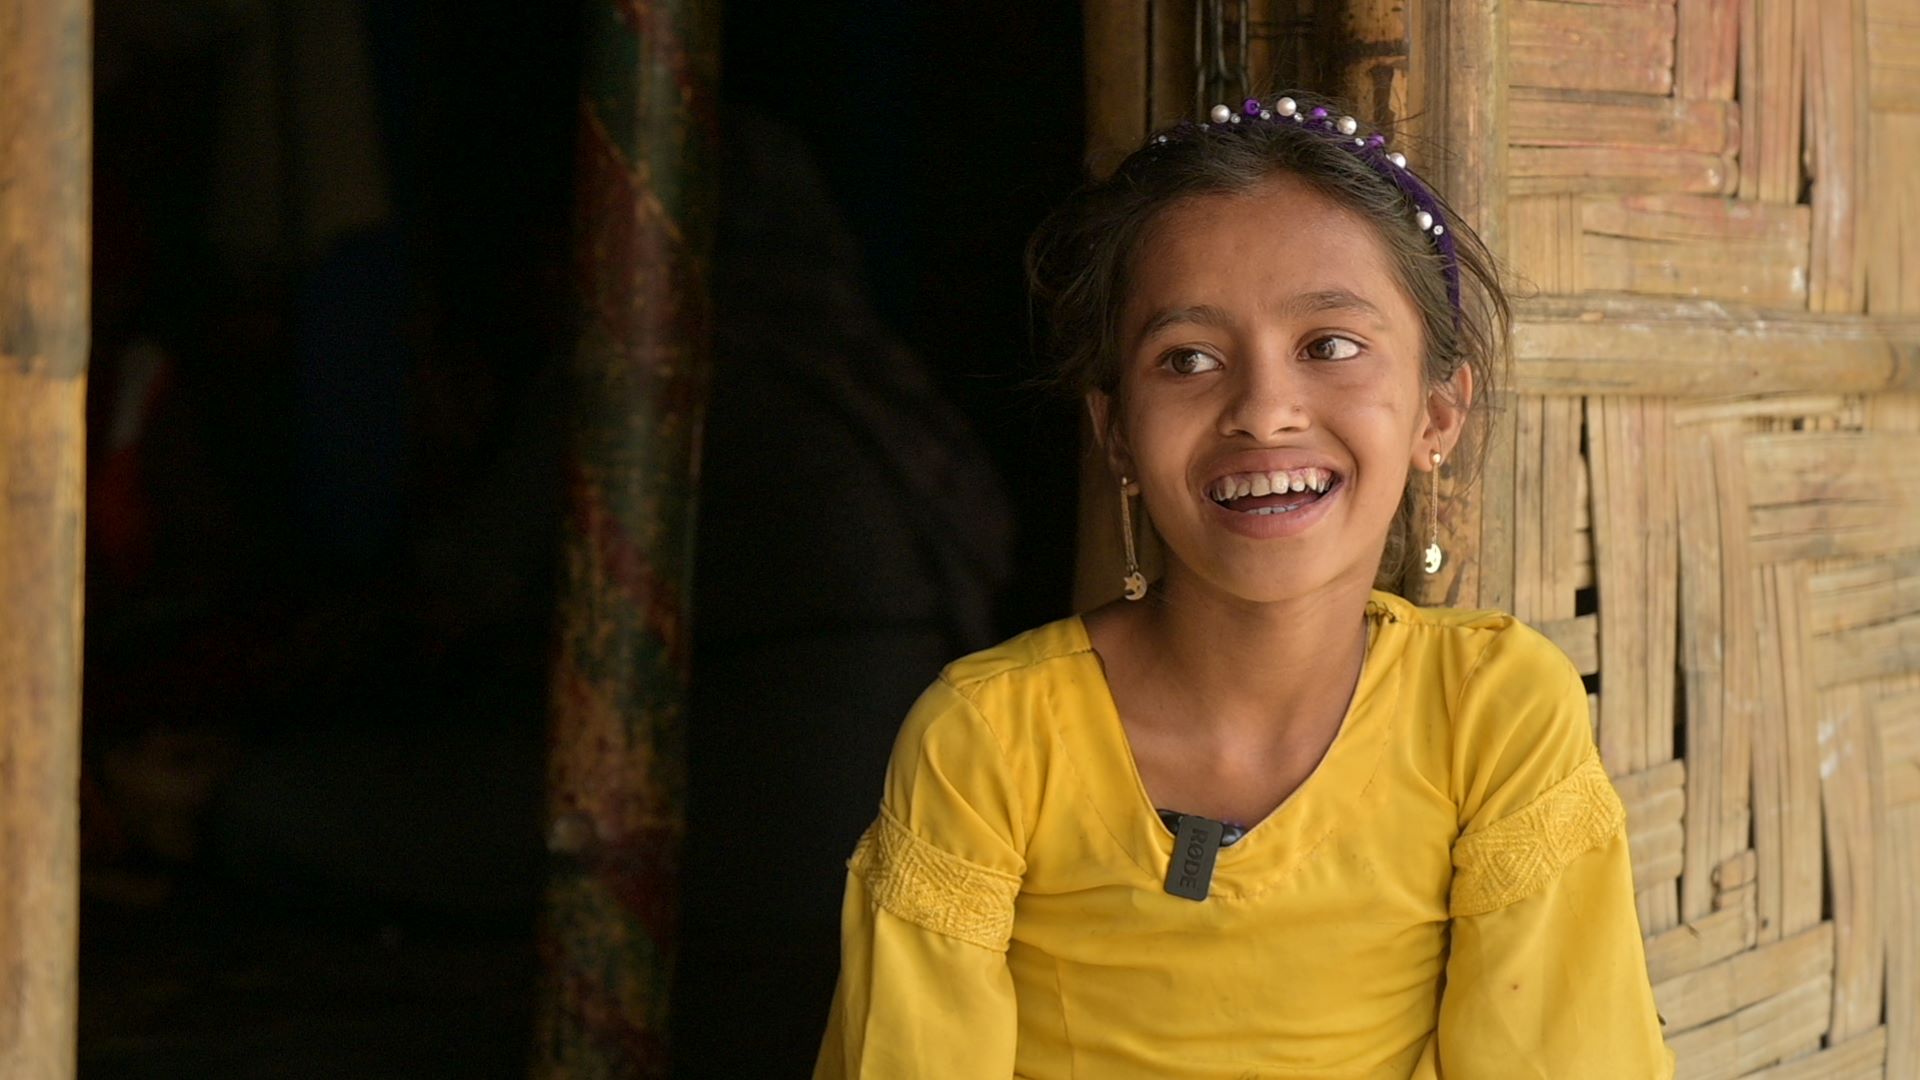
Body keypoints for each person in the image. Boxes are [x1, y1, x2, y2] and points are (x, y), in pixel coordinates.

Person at [813, 91, 1674, 1079]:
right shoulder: (993, 742)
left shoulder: (1489, 715)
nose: (1264, 410)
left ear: (1439, 414)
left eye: (1329, 346)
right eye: (1187, 359)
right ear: (1116, 435)